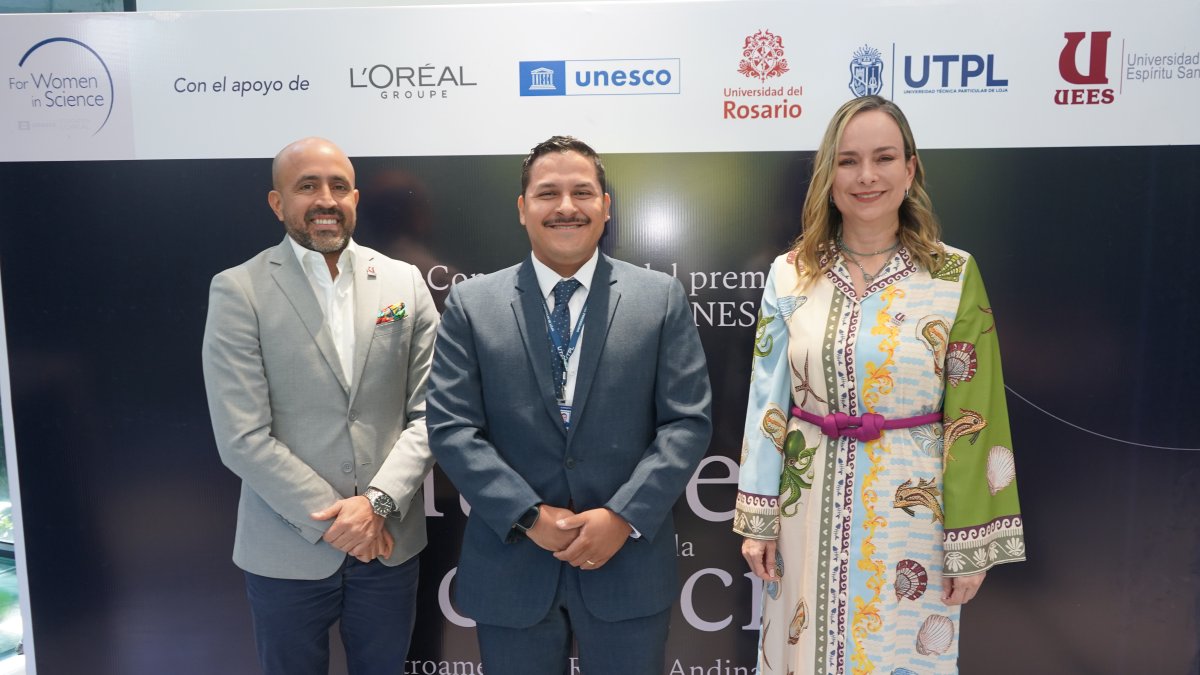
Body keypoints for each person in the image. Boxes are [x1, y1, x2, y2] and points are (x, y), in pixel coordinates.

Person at [735, 96, 1025, 674]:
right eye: (847, 161)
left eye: (884, 157)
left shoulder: (953, 274)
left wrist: (969, 541)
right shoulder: (790, 273)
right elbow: (767, 402)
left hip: (914, 521)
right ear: (828, 174)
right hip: (805, 509)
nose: (866, 176)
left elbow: (976, 413)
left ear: (911, 168)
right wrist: (758, 515)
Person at [426, 135, 712, 675]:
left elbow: (686, 422)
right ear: (522, 208)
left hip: (626, 565)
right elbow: (451, 427)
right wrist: (529, 515)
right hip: (512, 566)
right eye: (547, 193)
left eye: (582, 192)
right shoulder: (473, 303)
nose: (565, 207)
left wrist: (622, 517)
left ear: (606, 206)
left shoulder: (659, 298)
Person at [201, 137, 438, 675]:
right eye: (306, 186)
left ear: (355, 197)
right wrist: (340, 520)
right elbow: (241, 436)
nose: (325, 199)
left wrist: (375, 504)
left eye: (337, 186)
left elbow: (432, 413)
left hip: (388, 546)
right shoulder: (239, 290)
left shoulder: (403, 282)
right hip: (285, 549)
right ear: (277, 203)